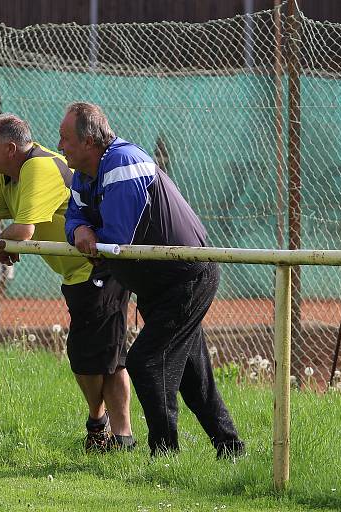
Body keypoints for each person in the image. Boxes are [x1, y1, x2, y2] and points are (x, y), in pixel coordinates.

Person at [58, 101, 245, 459]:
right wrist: (80, 228)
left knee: (146, 362)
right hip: (161, 284)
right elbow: (74, 217)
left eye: (66, 138)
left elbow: (117, 238)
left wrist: (87, 233)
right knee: (193, 377)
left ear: (89, 142)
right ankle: (231, 448)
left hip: (186, 276)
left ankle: (164, 454)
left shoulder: (123, 162)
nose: (60, 145)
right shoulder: (84, 172)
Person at [0, 113, 135, 452]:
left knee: (99, 356)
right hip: (77, 272)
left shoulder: (37, 167)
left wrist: (6, 240)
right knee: (99, 356)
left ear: (11, 148)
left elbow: (22, 232)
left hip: (99, 264)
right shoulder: (7, 176)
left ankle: (114, 434)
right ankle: (109, 430)